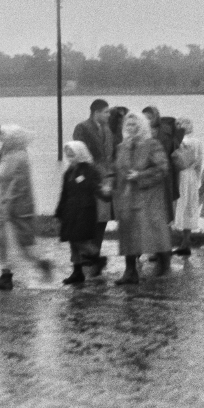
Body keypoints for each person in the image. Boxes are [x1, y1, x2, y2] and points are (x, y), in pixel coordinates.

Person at [0, 124, 53, 290]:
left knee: (17, 244)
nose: (0, 138)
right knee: (5, 242)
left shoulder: (16, 156)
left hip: (12, 207)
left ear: (12, 138)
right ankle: (6, 275)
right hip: (9, 204)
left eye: (3, 136)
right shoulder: (14, 153)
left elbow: (10, 180)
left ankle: (39, 264)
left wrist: (5, 203)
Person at [113, 111, 173, 284]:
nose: (130, 128)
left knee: (152, 230)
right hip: (126, 197)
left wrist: (140, 175)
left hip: (148, 197)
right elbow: (116, 170)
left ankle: (164, 264)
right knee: (127, 232)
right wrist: (110, 184)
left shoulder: (152, 145)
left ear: (141, 126)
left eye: (134, 124)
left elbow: (162, 168)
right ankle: (130, 271)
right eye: (128, 124)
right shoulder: (121, 147)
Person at [72, 98, 115, 274]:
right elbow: (78, 154)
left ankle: (95, 252)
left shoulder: (107, 129)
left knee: (102, 218)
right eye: (106, 112)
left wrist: (111, 175)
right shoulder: (82, 128)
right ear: (96, 112)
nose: (109, 115)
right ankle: (84, 256)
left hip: (105, 177)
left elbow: (109, 154)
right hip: (89, 177)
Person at [55, 141, 107, 284]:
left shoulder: (90, 170)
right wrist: (59, 211)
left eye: (72, 155)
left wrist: (106, 192)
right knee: (73, 242)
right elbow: (64, 193)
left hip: (85, 211)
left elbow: (97, 187)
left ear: (80, 153)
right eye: (68, 155)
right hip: (70, 211)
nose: (70, 158)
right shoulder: (69, 172)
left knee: (79, 240)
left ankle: (97, 257)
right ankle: (77, 271)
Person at [172, 118, 204, 256]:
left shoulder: (179, 142)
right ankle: (186, 242)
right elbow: (199, 162)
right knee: (189, 206)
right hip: (191, 176)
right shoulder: (197, 142)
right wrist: (198, 178)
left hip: (180, 175)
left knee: (179, 205)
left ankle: (178, 242)